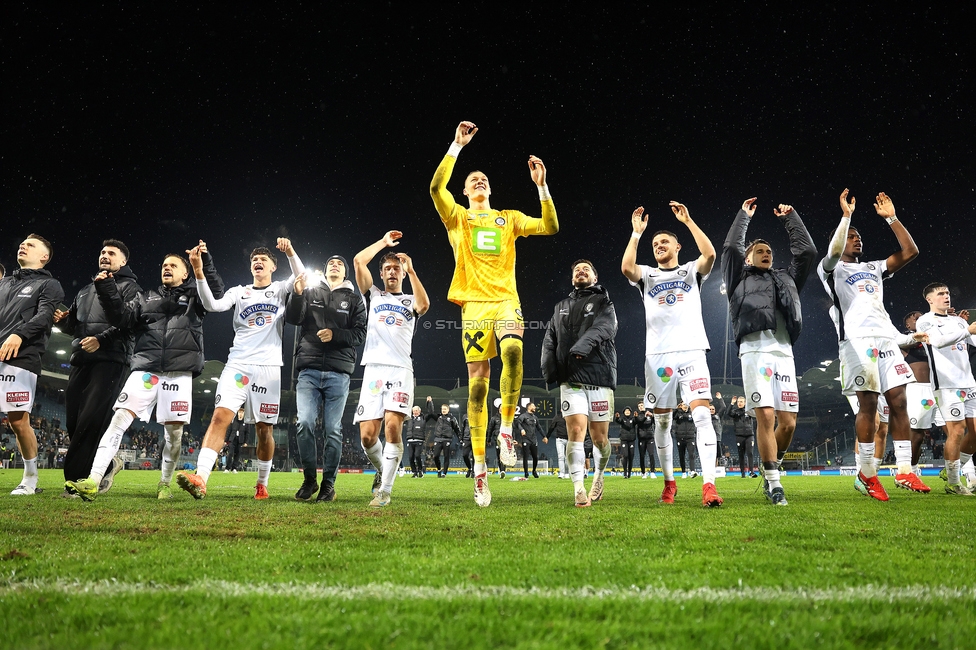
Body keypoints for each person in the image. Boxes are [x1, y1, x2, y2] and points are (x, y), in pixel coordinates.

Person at [430, 120, 559, 506]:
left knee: (515, 351)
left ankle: (505, 428)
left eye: (484, 178)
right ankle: (481, 472)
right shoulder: (457, 218)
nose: (479, 181)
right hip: (473, 306)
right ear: (466, 191)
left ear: (491, 188)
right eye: (473, 180)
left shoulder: (509, 218)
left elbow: (550, 226)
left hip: (506, 299)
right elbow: (437, 188)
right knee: (477, 387)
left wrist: (541, 186)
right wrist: (456, 146)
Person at [65, 243, 224, 500]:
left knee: (173, 435)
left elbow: (216, 293)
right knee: (118, 421)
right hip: (145, 369)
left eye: (173, 265)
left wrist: (205, 262)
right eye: (164, 266)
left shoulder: (196, 298)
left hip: (178, 371)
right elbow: (121, 320)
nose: (167, 268)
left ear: (185, 274)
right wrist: (106, 289)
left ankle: (164, 483)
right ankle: (93, 480)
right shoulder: (145, 298)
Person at [817, 189, 925, 500]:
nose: (857, 240)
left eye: (859, 236)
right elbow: (834, 250)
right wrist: (846, 217)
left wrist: (891, 217)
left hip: (886, 338)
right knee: (868, 406)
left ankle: (904, 470)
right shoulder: (831, 269)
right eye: (851, 236)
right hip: (856, 340)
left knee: (900, 402)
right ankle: (867, 473)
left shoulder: (874, 267)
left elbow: (910, 251)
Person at [176, 239, 303, 500]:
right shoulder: (239, 291)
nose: (257, 262)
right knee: (220, 417)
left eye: (263, 260)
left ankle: (262, 483)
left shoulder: (280, 289)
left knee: (263, 429)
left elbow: (301, 275)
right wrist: (199, 272)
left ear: (273, 267)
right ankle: (201, 477)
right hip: (238, 364)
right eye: (254, 260)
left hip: (268, 368)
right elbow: (213, 305)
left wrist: (290, 251)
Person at [622, 203, 723, 506]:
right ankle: (669, 483)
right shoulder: (648, 275)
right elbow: (627, 267)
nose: (659, 246)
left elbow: (710, 255)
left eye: (664, 241)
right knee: (662, 423)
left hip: (692, 350)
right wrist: (636, 234)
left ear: (677, 246)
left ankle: (709, 486)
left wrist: (689, 221)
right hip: (658, 356)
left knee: (702, 414)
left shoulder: (690, 270)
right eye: (655, 244)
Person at [722, 197, 817, 505]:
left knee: (788, 423)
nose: (766, 254)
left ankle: (769, 466)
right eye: (760, 251)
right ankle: (775, 484)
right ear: (749, 259)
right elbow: (731, 250)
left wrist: (791, 219)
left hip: (784, 353)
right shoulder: (738, 277)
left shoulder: (786, 278)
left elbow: (807, 252)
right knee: (765, 416)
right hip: (754, 351)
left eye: (769, 251)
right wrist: (743, 217)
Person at [54, 240, 141, 497]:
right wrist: (64, 322)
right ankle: (108, 466)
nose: (105, 255)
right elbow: (77, 326)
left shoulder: (130, 287)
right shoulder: (84, 290)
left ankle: (75, 481)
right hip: (81, 359)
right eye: (102, 252)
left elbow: (130, 321)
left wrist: (100, 340)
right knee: (73, 421)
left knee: (91, 420)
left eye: (111, 253)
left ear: (123, 261)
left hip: (111, 360)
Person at [350, 231, 429, 507]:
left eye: (396, 269)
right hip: (373, 370)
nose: (392, 272)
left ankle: (385, 490)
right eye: (387, 269)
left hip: (399, 370)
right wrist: (383, 243)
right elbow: (359, 261)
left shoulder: (409, 300)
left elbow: (424, 304)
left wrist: (412, 269)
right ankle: (384, 468)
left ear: (402, 274)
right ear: (381, 274)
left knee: (392, 428)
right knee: (367, 436)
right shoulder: (372, 295)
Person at [287, 253, 367, 502]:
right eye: (331, 262)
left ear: (345, 273)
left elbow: (360, 334)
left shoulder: (355, 299)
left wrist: (335, 334)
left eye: (340, 264)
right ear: (325, 270)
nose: (335, 265)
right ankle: (310, 480)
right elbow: (293, 318)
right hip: (309, 370)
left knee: (333, 429)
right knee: (305, 423)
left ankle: (328, 485)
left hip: (338, 372)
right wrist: (298, 294)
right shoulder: (310, 292)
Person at [541, 259, 616, 506]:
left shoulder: (604, 301)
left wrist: (581, 347)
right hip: (570, 378)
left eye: (586, 270)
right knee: (575, 431)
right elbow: (549, 339)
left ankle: (599, 474)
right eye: (576, 270)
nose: (580, 272)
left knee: (600, 440)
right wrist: (550, 369)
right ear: (572, 279)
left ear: (595, 278)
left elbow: (607, 327)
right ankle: (578, 489)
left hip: (598, 377)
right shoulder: (560, 306)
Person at [0, 234, 64, 495]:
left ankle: (30, 479)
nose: (22, 245)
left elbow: (45, 316)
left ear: (44, 257)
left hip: (22, 356)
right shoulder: (4, 283)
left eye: (31, 245)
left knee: (17, 421)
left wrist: (19, 334)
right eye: (22, 243)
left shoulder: (49, 284)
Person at [916, 283, 976, 495]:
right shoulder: (924, 321)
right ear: (929, 299)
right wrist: (967, 330)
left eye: (948, 292)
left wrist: (969, 330)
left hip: (968, 382)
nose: (946, 296)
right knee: (957, 430)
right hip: (946, 384)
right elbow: (938, 342)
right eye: (940, 294)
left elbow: (973, 341)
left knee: (975, 431)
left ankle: (952, 470)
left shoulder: (958, 320)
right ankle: (953, 482)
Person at [428, 398, 460, 479]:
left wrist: (460, 438)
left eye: (445, 409)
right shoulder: (438, 417)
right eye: (442, 409)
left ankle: (444, 473)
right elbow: (431, 413)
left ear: (448, 410)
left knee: (446, 456)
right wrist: (430, 402)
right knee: (435, 456)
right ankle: (439, 470)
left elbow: (456, 429)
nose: (443, 410)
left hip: (447, 439)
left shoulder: (452, 418)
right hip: (438, 439)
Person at [728, 396, 757, 477]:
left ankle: (751, 472)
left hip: (749, 435)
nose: (739, 403)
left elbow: (756, 413)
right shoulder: (735, 412)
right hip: (739, 436)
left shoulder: (749, 411)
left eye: (741, 401)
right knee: (741, 455)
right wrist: (731, 403)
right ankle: (743, 473)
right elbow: (728, 413)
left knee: (750, 453)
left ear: (745, 403)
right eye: (738, 402)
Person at [516, 402, 546, 478]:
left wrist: (544, 436)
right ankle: (526, 473)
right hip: (525, 439)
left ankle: (534, 471)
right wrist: (522, 429)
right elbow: (518, 423)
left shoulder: (535, 418)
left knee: (535, 457)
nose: (535, 407)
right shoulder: (523, 416)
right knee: (525, 457)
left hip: (533, 439)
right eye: (533, 406)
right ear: (529, 407)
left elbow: (539, 428)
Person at [405, 404, 434, 477]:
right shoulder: (408, 418)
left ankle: (420, 470)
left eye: (416, 410)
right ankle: (414, 472)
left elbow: (430, 413)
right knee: (411, 457)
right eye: (414, 411)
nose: (415, 412)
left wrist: (429, 403)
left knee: (417, 456)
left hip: (419, 440)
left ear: (419, 411)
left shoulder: (423, 418)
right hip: (410, 440)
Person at [672, 402, 698, 478]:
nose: (685, 406)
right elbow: (672, 416)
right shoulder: (677, 413)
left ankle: (692, 471)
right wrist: (676, 409)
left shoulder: (692, 413)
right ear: (681, 406)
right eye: (683, 405)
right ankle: (683, 472)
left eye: (686, 405)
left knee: (691, 454)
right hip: (680, 438)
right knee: (681, 455)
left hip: (690, 437)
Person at [613, 407, 638, 478]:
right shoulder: (622, 419)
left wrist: (636, 417)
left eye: (628, 410)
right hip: (624, 440)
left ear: (630, 412)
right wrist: (617, 418)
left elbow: (636, 421)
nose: (627, 412)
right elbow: (618, 420)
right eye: (626, 411)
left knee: (631, 456)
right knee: (625, 455)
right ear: (623, 412)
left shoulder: (633, 419)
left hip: (632, 440)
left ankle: (629, 472)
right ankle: (625, 473)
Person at [635, 403, 657, 479]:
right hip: (641, 438)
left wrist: (653, 416)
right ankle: (643, 472)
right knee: (642, 456)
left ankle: (652, 472)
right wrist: (645, 416)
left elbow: (656, 423)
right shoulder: (638, 415)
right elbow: (639, 422)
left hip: (650, 437)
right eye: (639, 406)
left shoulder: (650, 414)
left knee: (651, 454)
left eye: (642, 405)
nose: (640, 407)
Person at [546, 410, 569, 479]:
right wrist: (547, 437)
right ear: (561, 410)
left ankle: (567, 473)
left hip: (569, 439)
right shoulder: (557, 417)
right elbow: (552, 427)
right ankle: (561, 473)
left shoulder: (570, 416)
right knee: (561, 457)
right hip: (559, 439)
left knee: (567, 458)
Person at [225, 408, 247, 473]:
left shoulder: (245, 422)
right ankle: (227, 468)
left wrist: (246, 442)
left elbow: (247, 433)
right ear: (237, 413)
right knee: (230, 453)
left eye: (242, 413)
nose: (240, 414)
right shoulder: (233, 421)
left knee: (237, 454)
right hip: (232, 439)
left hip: (240, 440)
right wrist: (226, 440)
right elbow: (229, 430)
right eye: (239, 412)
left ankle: (234, 468)